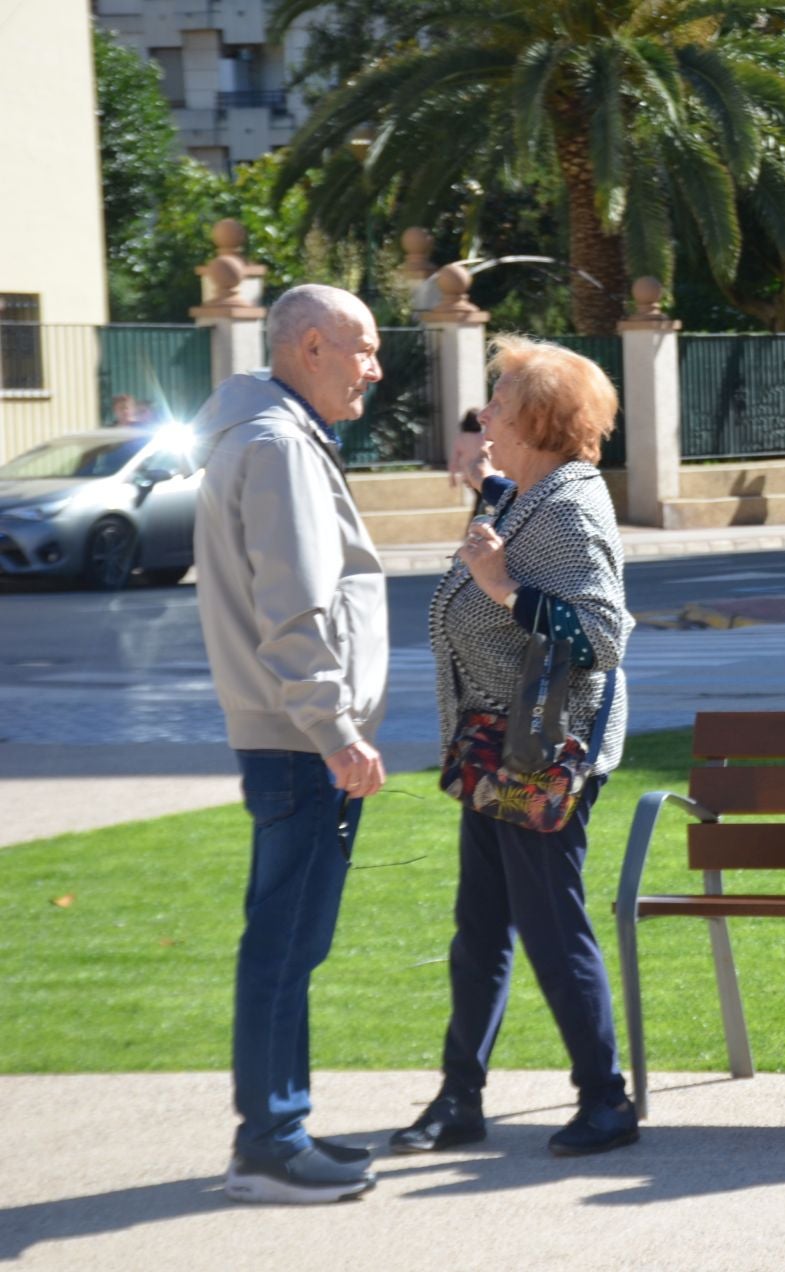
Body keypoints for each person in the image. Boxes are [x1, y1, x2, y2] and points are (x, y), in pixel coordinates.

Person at [395, 336, 639, 1159]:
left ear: (535, 418)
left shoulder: (569, 504)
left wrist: (504, 588)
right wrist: (490, 515)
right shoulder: (525, 494)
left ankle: (606, 1100)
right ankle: (460, 1097)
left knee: (549, 923)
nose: (485, 413)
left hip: (542, 757)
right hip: (494, 752)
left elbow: (602, 635)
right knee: (482, 927)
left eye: (498, 401)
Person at [192, 283, 389, 1203]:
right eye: (365, 350)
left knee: (289, 942)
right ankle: (269, 1143)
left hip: (293, 739)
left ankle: (282, 1128)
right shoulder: (277, 447)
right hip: (301, 743)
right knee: (283, 944)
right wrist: (336, 729)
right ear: (312, 346)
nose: (375, 369)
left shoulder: (269, 435)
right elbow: (295, 607)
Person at [447, 407, 487, 516]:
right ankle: (477, 523)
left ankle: (477, 523)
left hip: (468, 475)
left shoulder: (460, 438)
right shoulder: (483, 437)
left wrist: (453, 475)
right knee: (482, 499)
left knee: (480, 499)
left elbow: (454, 458)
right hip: (483, 473)